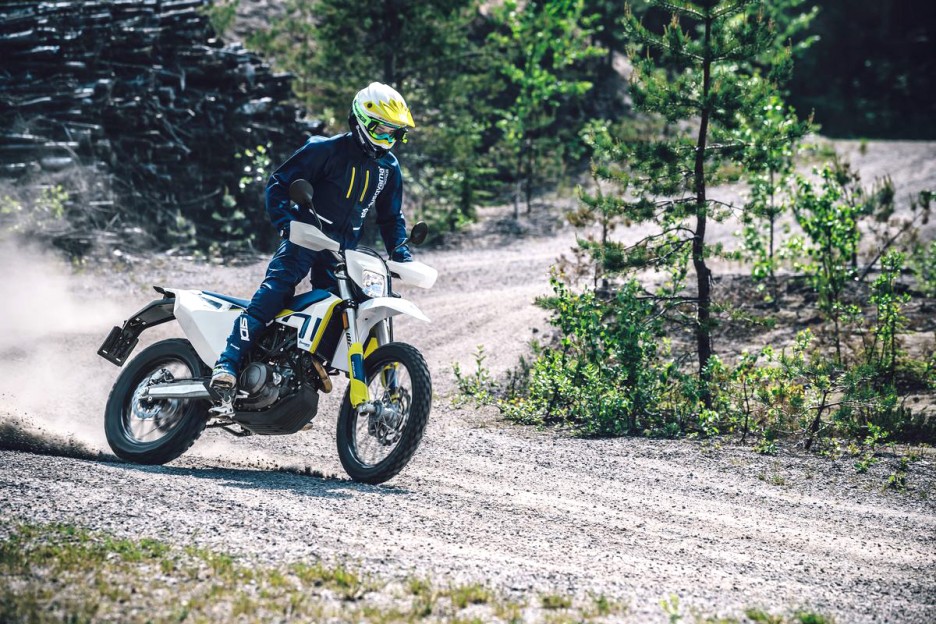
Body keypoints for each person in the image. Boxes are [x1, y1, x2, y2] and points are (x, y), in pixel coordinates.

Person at [210, 82, 416, 390]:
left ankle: (305, 371)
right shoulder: (324, 149)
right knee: (275, 292)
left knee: (352, 307)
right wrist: (286, 224)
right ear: (361, 120)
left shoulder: (389, 167)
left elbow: (391, 217)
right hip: (305, 238)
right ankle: (227, 363)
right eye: (382, 130)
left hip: (344, 251)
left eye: (395, 133)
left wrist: (401, 254)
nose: (388, 138)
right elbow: (279, 183)